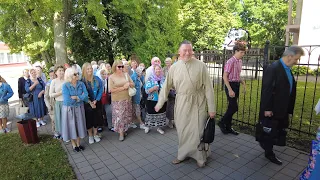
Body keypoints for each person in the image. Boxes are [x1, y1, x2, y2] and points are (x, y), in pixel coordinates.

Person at [155, 40, 215, 168]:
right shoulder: (174, 67)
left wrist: (211, 108)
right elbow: (166, 86)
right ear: (179, 52)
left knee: (197, 131)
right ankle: (182, 155)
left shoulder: (201, 65)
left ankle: (200, 157)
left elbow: (209, 88)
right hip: (181, 101)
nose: (187, 53)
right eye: (184, 50)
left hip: (198, 101)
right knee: (182, 130)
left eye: (190, 50)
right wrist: (160, 102)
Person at [257, 46, 304, 165]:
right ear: (290, 56)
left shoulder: (287, 68)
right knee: (270, 131)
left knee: (277, 129)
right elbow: (266, 90)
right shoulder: (273, 68)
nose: (297, 62)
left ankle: (268, 145)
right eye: (296, 59)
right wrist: (267, 109)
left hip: (282, 106)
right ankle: (269, 153)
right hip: (273, 108)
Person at [218, 42, 247, 135]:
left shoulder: (240, 61)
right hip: (230, 85)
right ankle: (222, 122)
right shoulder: (230, 61)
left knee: (231, 107)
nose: (243, 54)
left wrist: (243, 83)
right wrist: (230, 89)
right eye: (241, 52)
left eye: (243, 52)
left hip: (236, 84)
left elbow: (237, 75)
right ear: (236, 51)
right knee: (234, 107)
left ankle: (228, 127)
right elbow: (225, 76)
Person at [61, 68, 88, 152]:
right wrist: (80, 97)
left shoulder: (81, 84)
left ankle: (79, 143)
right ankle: (74, 144)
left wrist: (76, 97)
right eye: (75, 74)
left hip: (79, 107)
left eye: (77, 74)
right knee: (71, 126)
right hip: (69, 108)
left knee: (79, 125)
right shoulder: (65, 85)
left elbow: (86, 95)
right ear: (70, 76)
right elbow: (67, 99)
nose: (77, 75)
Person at [108, 60, 134, 141]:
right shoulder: (111, 77)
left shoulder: (126, 75)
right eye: (119, 66)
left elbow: (133, 84)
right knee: (119, 117)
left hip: (127, 99)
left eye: (122, 66)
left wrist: (129, 84)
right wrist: (123, 87)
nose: (121, 68)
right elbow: (111, 90)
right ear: (115, 67)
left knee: (126, 116)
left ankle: (124, 130)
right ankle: (121, 133)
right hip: (117, 100)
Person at [81, 63, 103, 144]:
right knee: (89, 120)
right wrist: (90, 102)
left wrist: (96, 100)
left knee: (96, 119)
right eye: (88, 69)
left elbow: (101, 89)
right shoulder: (82, 81)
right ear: (84, 70)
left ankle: (95, 134)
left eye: (91, 68)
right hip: (87, 103)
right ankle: (90, 135)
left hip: (96, 101)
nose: (90, 70)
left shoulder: (96, 79)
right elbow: (82, 93)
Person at [145, 65, 167, 134]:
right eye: (156, 69)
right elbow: (146, 91)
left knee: (160, 113)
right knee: (151, 113)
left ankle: (159, 127)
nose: (158, 70)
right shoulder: (150, 79)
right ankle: (148, 126)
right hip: (152, 100)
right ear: (153, 70)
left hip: (161, 100)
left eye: (159, 69)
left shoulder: (163, 78)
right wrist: (153, 88)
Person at [131, 66, 149, 133]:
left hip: (139, 95)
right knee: (137, 109)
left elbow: (143, 84)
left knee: (135, 109)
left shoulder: (139, 76)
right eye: (142, 72)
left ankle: (132, 122)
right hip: (135, 96)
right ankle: (141, 123)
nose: (143, 73)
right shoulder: (134, 77)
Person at [49, 66, 65, 139]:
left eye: (62, 70)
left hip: (66, 102)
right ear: (56, 72)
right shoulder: (54, 81)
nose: (61, 72)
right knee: (60, 119)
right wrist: (60, 93)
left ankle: (68, 133)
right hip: (58, 103)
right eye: (59, 70)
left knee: (67, 119)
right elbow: (51, 94)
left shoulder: (66, 80)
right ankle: (62, 134)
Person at [44, 67, 57, 137]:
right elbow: (46, 97)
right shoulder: (48, 84)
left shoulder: (58, 82)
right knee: (53, 119)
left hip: (58, 104)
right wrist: (48, 106)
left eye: (54, 75)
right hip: (52, 104)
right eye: (51, 75)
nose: (52, 77)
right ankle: (55, 132)